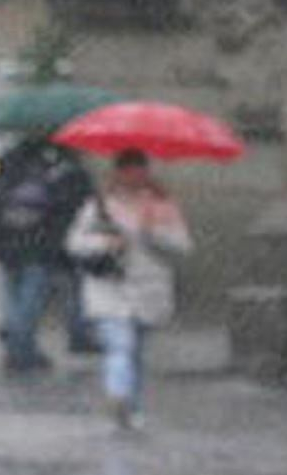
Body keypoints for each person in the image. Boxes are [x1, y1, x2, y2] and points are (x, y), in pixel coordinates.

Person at [65, 148, 192, 431]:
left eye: (139, 170)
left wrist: (151, 233)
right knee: (120, 345)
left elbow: (183, 246)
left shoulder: (162, 205)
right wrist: (105, 244)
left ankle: (132, 408)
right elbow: (74, 243)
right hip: (109, 287)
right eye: (128, 170)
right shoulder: (99, 205)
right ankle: (118, 395)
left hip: (149, 289)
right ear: (118, 173)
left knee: (135, 352)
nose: (134, 176)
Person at [0, 135, 95, 374]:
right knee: (30, 301)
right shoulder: (61, 168)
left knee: (14, 299)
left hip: (7, 243)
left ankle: (20, 346)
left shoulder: (10, 164)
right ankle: (21, 351)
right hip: (39, 246)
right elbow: (70, 207)